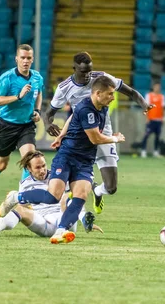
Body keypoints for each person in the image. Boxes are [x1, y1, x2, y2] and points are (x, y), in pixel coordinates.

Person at [0, 76, 125, 244]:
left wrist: (62, 134)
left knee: (80, 195)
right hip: (67, 156)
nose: (112, 97)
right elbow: (95, 138)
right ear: (98, 93)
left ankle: (60, 231)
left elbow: (72, 118)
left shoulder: (100, 106)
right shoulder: (86, 109)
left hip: (85, 161)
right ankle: (17, 197)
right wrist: (115, 138)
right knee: (53, 197)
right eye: (110, 94)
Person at [43, 52, 153, 214]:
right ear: (74, 68)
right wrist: (47, 124)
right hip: (79, 136)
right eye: (83, 72)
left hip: (104, 134)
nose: (88, 75)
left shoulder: (101, 78)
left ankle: (98, 191)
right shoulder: (64, 87)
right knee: (68, 184)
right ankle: (68, 215)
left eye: (89, 71)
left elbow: (131, 92)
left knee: (111, 187)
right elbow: (49, 112)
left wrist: (144, 104)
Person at [0, 44, 44, 211]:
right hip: (7, 125)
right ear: (17, 59)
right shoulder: (7, 78)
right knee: (1, 164)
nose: (26, 61)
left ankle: (22, 198)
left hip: (26, 125)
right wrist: (18, 96)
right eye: (22, 58)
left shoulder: (37, 77)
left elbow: (39, 93)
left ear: (33, 59)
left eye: (29, 58)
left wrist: (37, 111)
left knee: (30, 159)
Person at [0, 150, 102, 238]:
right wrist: (2, 212)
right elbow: (25, 208)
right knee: (20, 208)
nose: (42, 170)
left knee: (66, 197)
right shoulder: (25, 184)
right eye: (37, 167)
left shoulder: (58, 176)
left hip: (66, 220)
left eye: (43, 165)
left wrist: (82, 215)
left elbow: (76, 200)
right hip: (44, 223)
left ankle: (85, 220)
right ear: (28, 169)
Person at [140, 83, 165, 158]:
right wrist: (147, 117)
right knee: (146, 135)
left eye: (159, 87)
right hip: (151, 119)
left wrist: (163, 117)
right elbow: (146, 107)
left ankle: (156, 151)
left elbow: (162, 108)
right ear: (153, 87)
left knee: (157, 136)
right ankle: (143, 151)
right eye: (156, 87)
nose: (157, 88)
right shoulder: (149, 95)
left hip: (158, 120)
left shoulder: (162, 97)